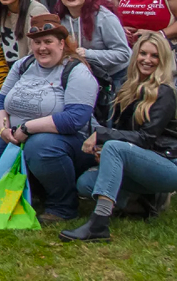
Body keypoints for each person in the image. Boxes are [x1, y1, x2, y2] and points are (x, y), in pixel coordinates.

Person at [0, 14, 98, 222]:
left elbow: (75, 118)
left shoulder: (76, 70)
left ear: (61, 43)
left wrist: (28, 128)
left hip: (68, 141)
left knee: (41, 148)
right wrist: (3, 129)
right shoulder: (23, 65)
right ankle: (32, 194)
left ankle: (63, 206)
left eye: (48, 41)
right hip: (18, 133)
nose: (42, 48)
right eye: (37, 42)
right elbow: (0, 102)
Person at [63, 32, 177, 241]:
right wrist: (104, 150)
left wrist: (102, 137)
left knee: (114, 147)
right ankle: (141, 201)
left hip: (168, 163)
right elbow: (123, 134)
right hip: (140, 160)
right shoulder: (128, 87)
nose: (147, 59)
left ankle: (99, 224)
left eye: (154, 56)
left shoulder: (165, 92)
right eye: (143, 53)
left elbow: (145, 138)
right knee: (86, 183)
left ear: (163, 60)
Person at [56, 0, 130, 90]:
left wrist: (88, 54)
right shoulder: (60, 20)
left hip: (115, 77)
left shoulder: (104, 17)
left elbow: (123, 53)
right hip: (83, 76)